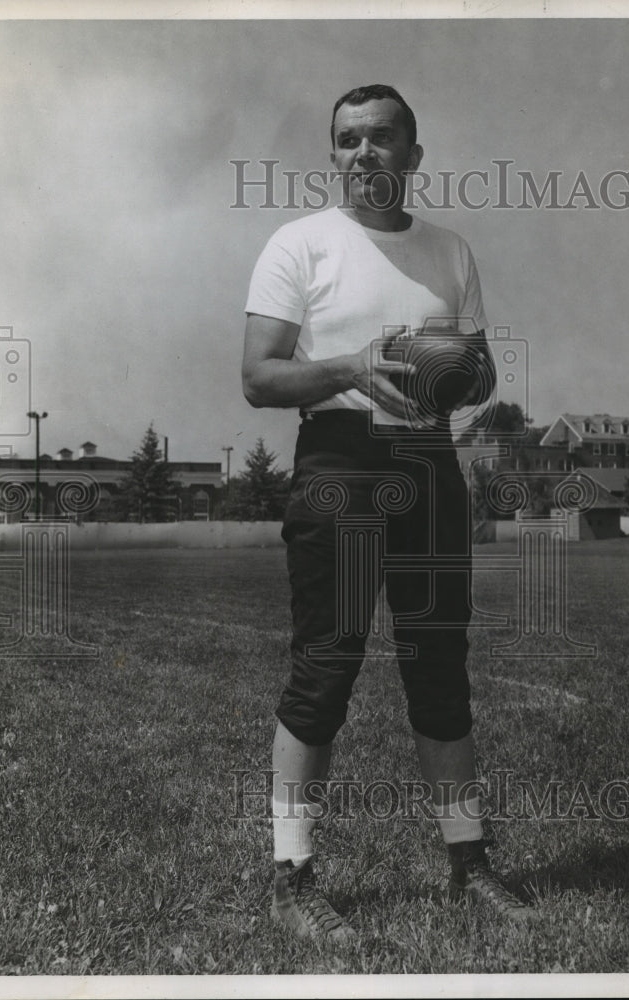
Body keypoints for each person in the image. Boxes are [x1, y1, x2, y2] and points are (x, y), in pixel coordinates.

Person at [242, 84, 535, 943]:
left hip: (429, 460)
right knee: (325, 666)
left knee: (440, 664)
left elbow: (477, 371)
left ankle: (468, 862)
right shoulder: (298, 244)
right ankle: (291, 877)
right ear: (333, 155)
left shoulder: (449, 250)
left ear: (412, 154)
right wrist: (348, 366)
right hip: (338, 462)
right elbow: (259, 376)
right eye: (345, 141)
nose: (361, 154)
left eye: (379, 139)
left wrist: (457, 369)